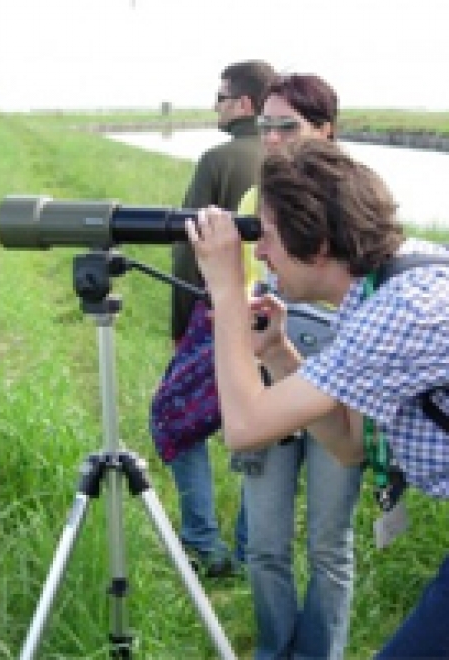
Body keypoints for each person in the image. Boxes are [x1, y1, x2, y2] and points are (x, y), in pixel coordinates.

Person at [186, 137, 449, 658]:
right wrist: (280, 355)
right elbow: (350, 445)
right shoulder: (389, 280)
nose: (259, 251)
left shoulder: (396, 312)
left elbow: (243, 427)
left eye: (268, 236)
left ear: (319, 241)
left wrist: (226, 289)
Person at [232, 74, 363, 660]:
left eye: (290, 126)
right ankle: (274, 650)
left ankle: (320, 655)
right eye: (266, 127)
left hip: (342, 376)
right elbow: (236, 285)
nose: (276, 139)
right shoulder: (251, 201)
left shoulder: (358, 199)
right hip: (272, 373)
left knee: (329, 544)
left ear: (326, 131)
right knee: (264, 543)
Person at [167, 59, 277, 577]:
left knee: (175, 420)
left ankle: (203, 545)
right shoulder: (292, 158)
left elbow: (189, 246)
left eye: (221, 96)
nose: (214, 105)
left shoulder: (219, 159)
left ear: (245, 104)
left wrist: (180, 324)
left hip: (221, 314)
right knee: (260, 430)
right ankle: (251, 549)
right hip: (278, 316)